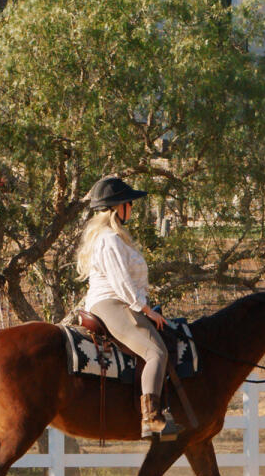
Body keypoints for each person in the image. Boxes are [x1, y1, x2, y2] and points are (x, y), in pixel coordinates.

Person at [76, 175, 184, 438]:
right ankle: (151, 418)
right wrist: (145, 310)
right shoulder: (110, 240)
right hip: (113, 303)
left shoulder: (114, 238)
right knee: (156, 352)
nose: (132, 208)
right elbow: (121, 282)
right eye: (130, 203)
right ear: (118, 207)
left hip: (120, 302)